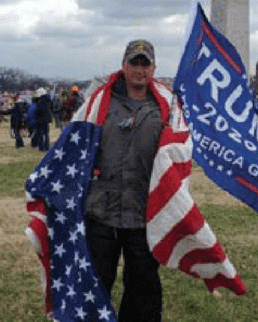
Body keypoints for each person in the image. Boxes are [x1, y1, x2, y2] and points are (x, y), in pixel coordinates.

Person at [78, 39, 166, 321]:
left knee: (143, 289)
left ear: (153, 68)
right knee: (95, 285)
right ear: (124, 66)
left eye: (145, 64)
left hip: (144, 215)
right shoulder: (99, 103)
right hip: (102, 214)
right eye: (134, 63)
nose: (139, 69)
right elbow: (76, 148)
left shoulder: (167, 110)